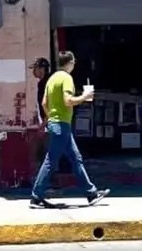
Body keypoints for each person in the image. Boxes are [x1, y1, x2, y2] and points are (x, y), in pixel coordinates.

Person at [30, 51, 110, 209]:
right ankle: (36, 196)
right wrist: (84, 97)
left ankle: (91, 193)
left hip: (57, 124)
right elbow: (68, 101)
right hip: (62, 124)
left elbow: (44, 102)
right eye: (74, 62)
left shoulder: (52, 79)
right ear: (70, 62)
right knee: (51, 161)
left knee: (76, 158)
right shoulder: (66, 78)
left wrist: (50, 117)